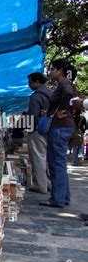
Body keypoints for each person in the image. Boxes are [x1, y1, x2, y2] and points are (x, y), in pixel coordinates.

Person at [39, 59, 78, 209]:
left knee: (56, 163)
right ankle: (63, 196)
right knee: (58, 163)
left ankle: (57, 198)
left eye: (52, 69)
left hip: (60, 127)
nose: (50, 72)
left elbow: (69, 95)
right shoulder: (63, 84)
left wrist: (62, 111)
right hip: (62, 126)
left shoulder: (64, 83)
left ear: (60, 71)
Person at [26, 72, 53, 194]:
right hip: (50, 129)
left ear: (37, 82)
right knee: (46, 158)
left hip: (38, 130)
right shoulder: (51, 93)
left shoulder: (36, 96)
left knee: (38, 157)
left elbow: (32, 116)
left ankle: (40, 185)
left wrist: (29, 130)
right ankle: (48, 183)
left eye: (30, 82)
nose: (29, 85)